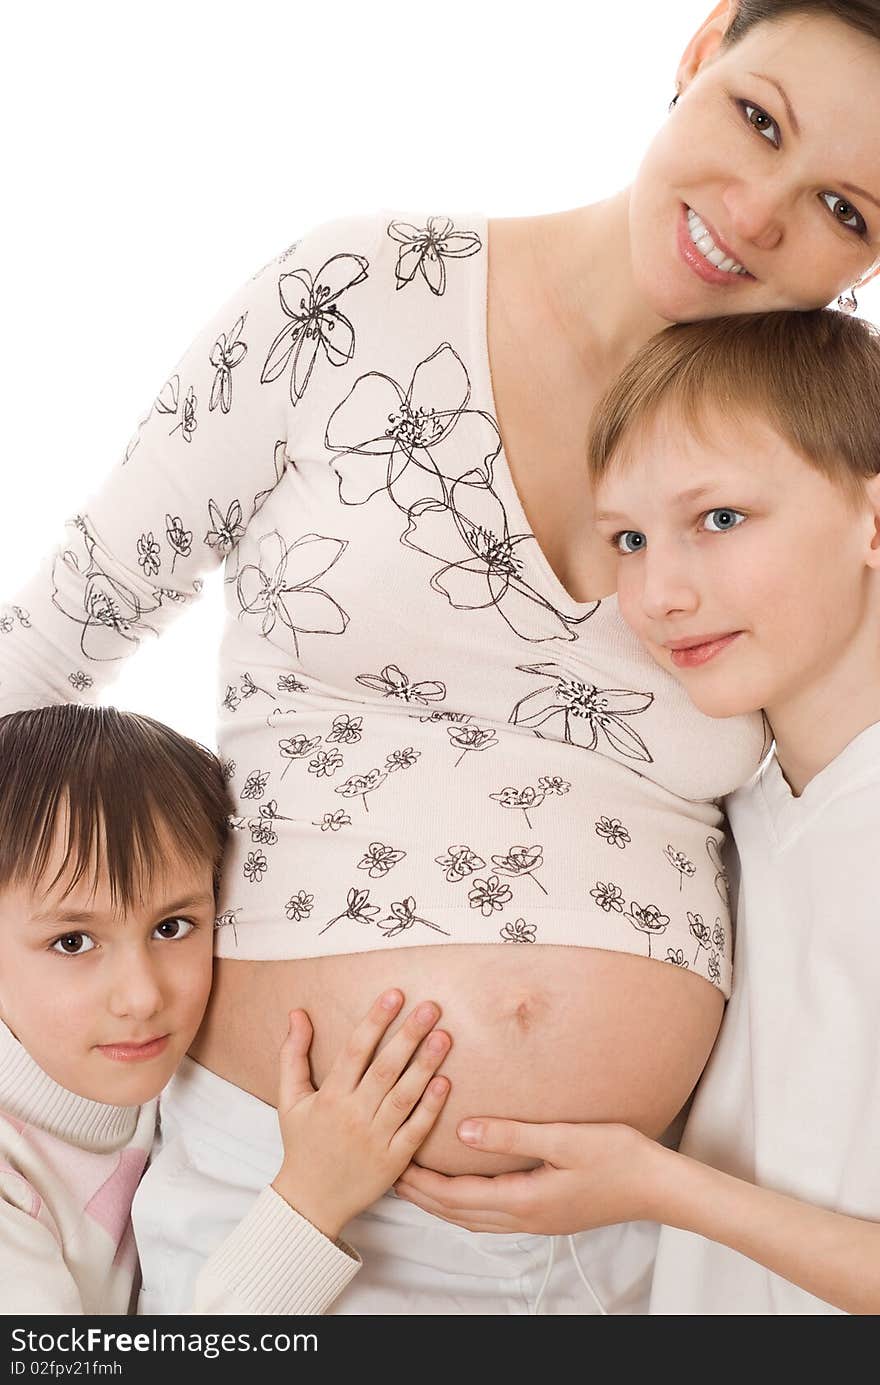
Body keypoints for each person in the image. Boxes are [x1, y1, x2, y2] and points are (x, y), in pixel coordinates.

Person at [0, 0, 878, 1314]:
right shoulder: (352, 301)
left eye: (845, 210)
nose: (757, 214)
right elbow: (47, 648)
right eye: (757, 119)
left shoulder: (814, 464)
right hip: (280, 1208)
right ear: (699, 51)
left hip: (633, 1253)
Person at [395, 306, 880, 1316]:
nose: (657, 592)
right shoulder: (742, 803)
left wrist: (654, 1185)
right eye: (627, 536)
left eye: (720, 519)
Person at [0, 705, 451, 1314]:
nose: (143, 997)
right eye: (73, 942)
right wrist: (312, 1201)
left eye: (172, 926)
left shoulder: (154, 1084)